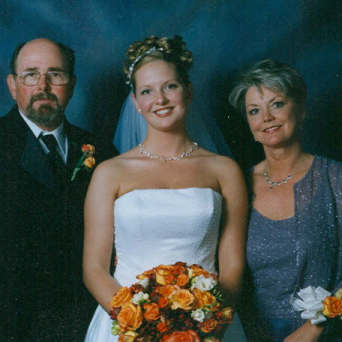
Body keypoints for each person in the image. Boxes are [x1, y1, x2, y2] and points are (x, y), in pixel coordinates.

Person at [83, 35, 249, 341]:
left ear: (188, 90)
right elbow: (94, 269)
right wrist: (141, 329)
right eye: (147, 91)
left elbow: (233, 267)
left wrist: (207, 330)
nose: (159, 100)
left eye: (169, 86)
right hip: (127, 328)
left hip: (209, 325)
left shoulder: (224, 170)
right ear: (135, 102)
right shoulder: (110, 173)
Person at [0, 38, 117, 341]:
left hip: (82, 325)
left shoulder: (103, 152)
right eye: (30, 74)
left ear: (72, 84)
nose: (43, 85)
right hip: (0, 329)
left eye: (56, 74)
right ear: (12, 85)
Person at [229, 59, 342, 341]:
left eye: (277, 104)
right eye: (254, 111)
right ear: (249, 123)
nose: (266, 118)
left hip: (327, 332)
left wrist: (314, 327)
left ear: (301, 109)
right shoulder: (240, 184)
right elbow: (237, 280)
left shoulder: (334, 176)